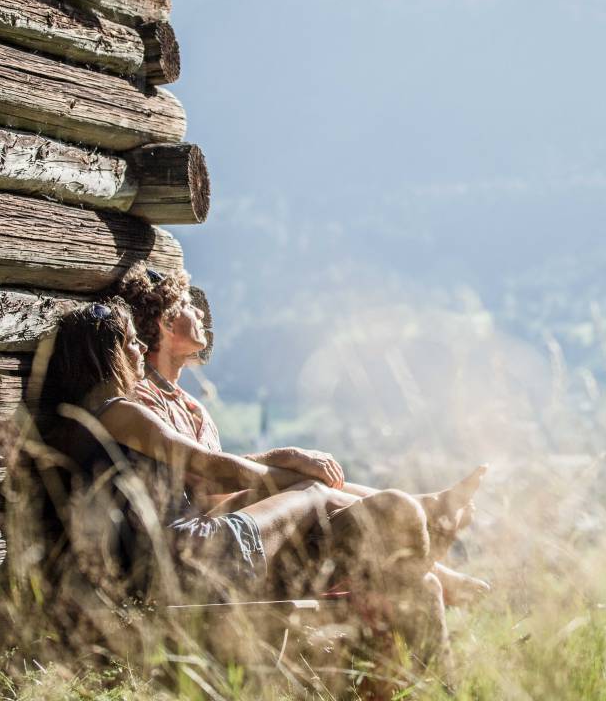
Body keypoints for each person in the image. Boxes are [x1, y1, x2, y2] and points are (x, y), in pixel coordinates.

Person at [29, 299, 482, 664]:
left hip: (162, 564)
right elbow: (211, 467)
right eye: (128, 344)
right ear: (107, 353)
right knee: (325, 495)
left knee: (372, 526)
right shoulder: (120, 411)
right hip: (184, 557)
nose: (136, 353)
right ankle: (422, 540)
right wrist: (291, 473)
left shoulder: (77, 427)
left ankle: (420, 551)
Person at [114, 263, 491, 603]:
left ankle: (424, 524)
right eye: (186, 305)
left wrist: (285, 471)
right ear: (165, 323)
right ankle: (424, 524)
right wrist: (285, 463)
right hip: (202, 539)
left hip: (233, 524)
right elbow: (201, 480)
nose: (199, 312)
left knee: (317, 487)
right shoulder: (144, 401)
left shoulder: (191, 405)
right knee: (313, 488)